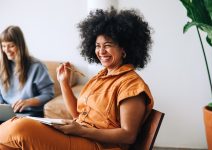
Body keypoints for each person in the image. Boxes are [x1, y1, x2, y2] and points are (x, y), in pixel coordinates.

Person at [0, 8, 154, 150]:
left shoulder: (131, 84)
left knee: (20, 128)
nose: (101, 51)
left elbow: (128, 135)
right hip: (80, 136)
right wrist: (64, 82)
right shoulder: (100, 78)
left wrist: (83, 131)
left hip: (99, 145)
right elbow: (77, 115)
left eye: (107, 45)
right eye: (97, 46)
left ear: (124, 48)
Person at [0, 25, 54, 117]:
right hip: (6, 115)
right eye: (4, 46)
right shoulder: (2, 66)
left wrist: (28, 102)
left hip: (29, 115)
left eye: (11, 46)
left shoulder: (37, 66)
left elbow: (48, 94)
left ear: (20, 45)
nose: (7, 50)